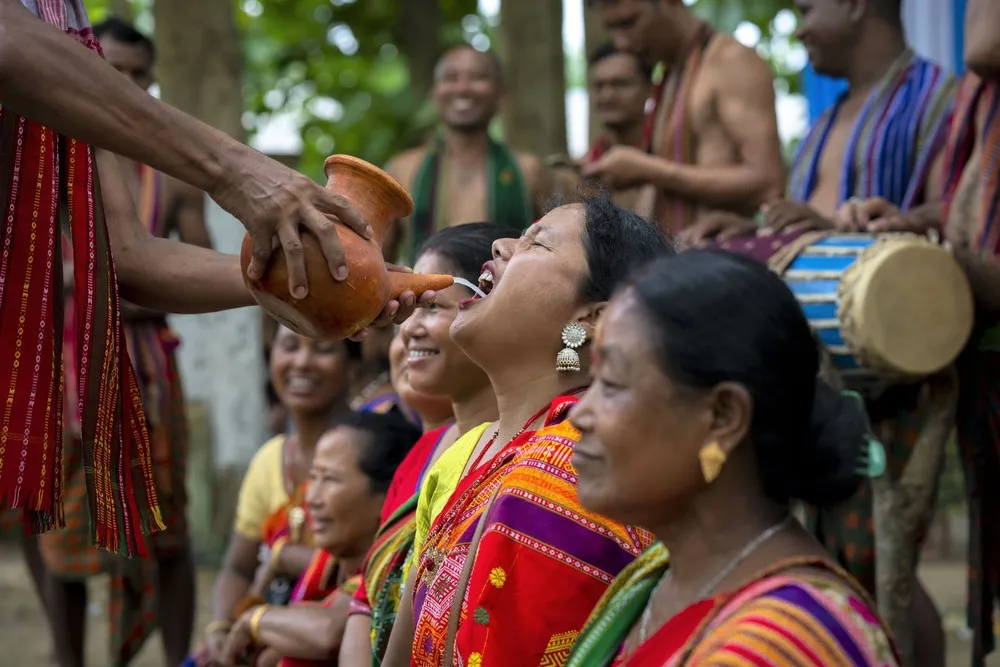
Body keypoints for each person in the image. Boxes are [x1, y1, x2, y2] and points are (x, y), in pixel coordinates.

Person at [0, 0, 429, 555]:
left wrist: (299, 286)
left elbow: (127, 258)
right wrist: (235, 169)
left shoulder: (68, 42)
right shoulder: (49, 41)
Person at [380, 195, 673, 667]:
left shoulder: (586, 460)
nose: (500, 245)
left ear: (591, 319)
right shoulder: (470, 453)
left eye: (536, 243)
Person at [564, 250, 897, 666]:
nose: (579, 414)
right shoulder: (652, 581)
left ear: (723, 417)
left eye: (612, 384)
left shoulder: (781, 645)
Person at [341, 222, 514, 667]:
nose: (408, 329)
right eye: (410, 308)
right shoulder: (424, 452)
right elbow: (364, 601)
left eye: (432, 307)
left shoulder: (521, 452)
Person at [686, 0, 957, 243]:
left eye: (807, 12)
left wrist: (831, 232)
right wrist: (755, 233)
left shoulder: (941, 100)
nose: (799, 31)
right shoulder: (825, 123)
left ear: (854, 5)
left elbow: (954, 221)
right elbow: (813, 219)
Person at [190, 328, 356, 667]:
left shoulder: (369, 455)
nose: (302, 362)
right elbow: (238, 567)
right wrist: (221, 627)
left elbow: (367, 572)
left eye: (322, 349)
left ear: (352, 363)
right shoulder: (269, 459)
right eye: (290, 346)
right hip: (264, 630)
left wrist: (283, 557)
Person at [219, 412, 422, 667]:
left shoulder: (388, 579)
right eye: (313, 477)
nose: (312, 498)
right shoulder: (331, 567)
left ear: (388, 495)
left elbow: (329, 631)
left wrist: (253, 620)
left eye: (330, 479)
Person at [583, 0, 785, 234]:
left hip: (724, 253)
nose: (622, 43)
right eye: (612, 29)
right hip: (680, 251)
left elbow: (767, 183)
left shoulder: (730, 60)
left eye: (629, 23)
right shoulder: (671, 77)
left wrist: (649, 170)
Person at [381, 45, 552, 264]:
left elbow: (553, 256)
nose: (463, 88)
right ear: (434, 94)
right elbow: (377, 261)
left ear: (501, 95)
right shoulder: (403, 170)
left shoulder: (528, 171)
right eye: (451, 78)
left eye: (478, 77)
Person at [553, 43, 652, 210]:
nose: (607, 95)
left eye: (620, 84)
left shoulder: (668, 159)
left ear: (650, 89)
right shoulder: (577, 176)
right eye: (599, 86)